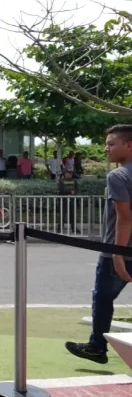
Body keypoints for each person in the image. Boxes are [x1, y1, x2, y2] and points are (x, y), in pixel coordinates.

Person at [65, 124, 132, 364]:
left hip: (119, 251)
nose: (106, 148)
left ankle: (97, 346)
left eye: (112, 144)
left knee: (102, 297)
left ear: (129, 145)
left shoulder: (119, 175)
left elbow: (125, 218)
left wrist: (117, 255)